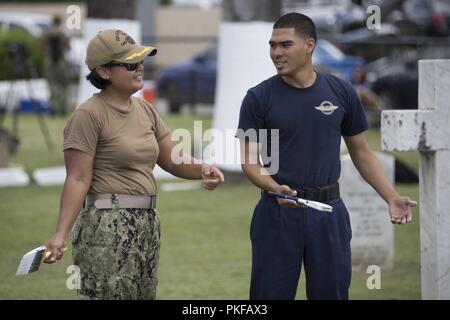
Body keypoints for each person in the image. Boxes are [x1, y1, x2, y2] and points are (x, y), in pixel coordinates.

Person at [235, 13, 416, 300]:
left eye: (285, 45)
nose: (276, 53)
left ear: (309, 45)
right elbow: (250, 162)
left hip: (329, 214)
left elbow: (362, 152)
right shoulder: (258, 98)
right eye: (272, 45)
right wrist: (272, 187)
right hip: (277, 215)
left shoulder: (341, 91)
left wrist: (391, 197)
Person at [44, 29, 224, 300]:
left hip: (147, 222)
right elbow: (78, 179)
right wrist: (60, 234)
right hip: (107, 226)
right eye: (130, 64)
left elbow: (173, 160)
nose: (140, 67)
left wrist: (203, 169)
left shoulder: (145, 110)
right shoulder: (87, 115)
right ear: (104, 72)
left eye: (141, 61)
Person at [40, 15, 71, 115]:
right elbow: (68, 48)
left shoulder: (46, 33)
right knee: (64, 86)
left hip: (49, 62)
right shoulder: (63, 34)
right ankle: (63, 108)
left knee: (51, 85)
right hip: (61, 62)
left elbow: (41, 47)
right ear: (60, 22)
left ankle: (52, 108)